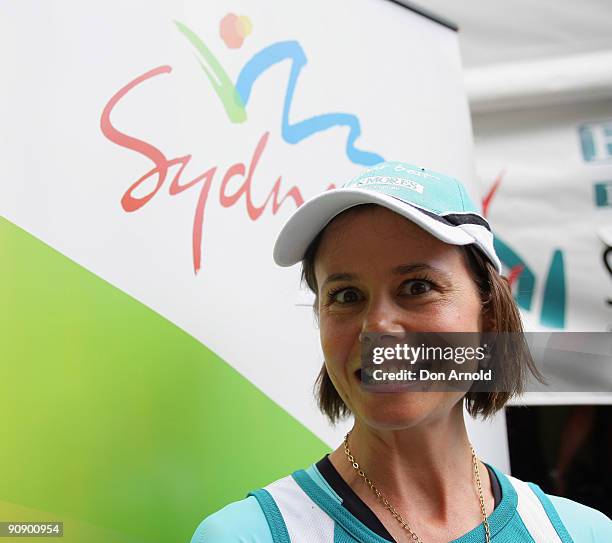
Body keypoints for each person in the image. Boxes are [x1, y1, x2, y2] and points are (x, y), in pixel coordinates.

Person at [190, 161, 612, 542]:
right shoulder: (250, 535)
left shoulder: (580, 533)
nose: (378, 328)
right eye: (347, 294)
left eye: (417, 287)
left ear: (489, 315)